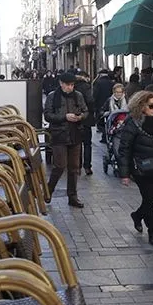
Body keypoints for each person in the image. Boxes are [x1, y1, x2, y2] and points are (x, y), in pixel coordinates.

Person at [115, 91, 153, 248]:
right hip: (140, 168)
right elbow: (125, 148)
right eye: (150, 106)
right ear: (141, 106)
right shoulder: (133, 123)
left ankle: (137, 215)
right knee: (149, 199)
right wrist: (125, 174)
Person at [43, 72, 88, 208]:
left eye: (72, 85)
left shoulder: (78, 96)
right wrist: (65, 117)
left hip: (75, 134)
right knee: (60, 166)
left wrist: (80, 117)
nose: (70, 88)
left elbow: (86, 111)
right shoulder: (52, 96)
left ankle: (72, 196)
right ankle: (48, 190)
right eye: (68, 85)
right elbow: (47, 115)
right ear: (61, 84)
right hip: (59, 135)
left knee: (74, 168)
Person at [73, 71, 96, 175]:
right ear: (85, 77)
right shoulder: (86, 87)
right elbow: (90, 100)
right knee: (87, 144)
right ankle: (87, 166)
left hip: (75, 118)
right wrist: (91, 111)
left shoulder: (72, 86)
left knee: (77, 144)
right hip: (86, 119)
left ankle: (77, 166)